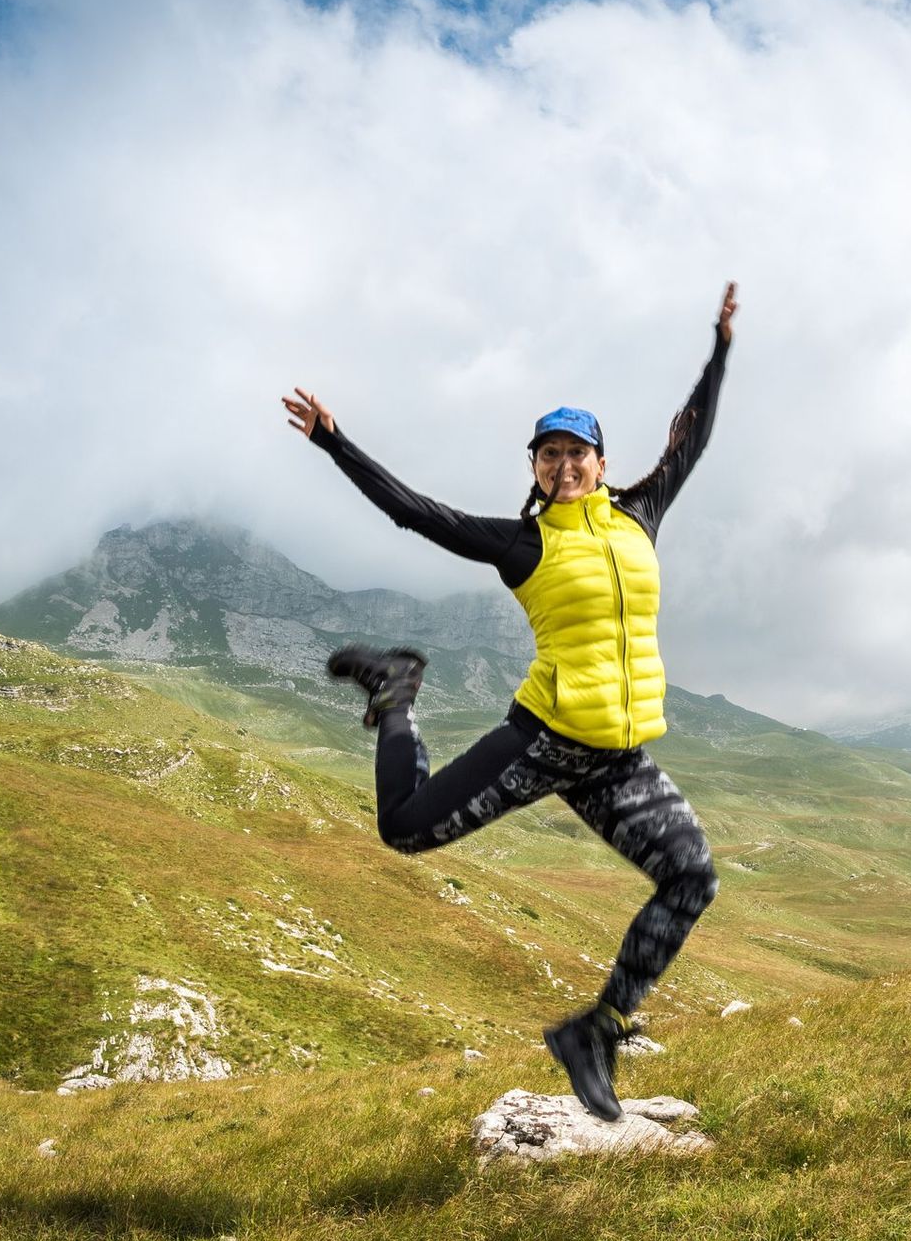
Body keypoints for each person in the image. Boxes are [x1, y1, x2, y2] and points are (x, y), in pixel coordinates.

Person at [279, 282, 738, 1120]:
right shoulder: (522, 544)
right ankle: (395, 691)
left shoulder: (641, 516)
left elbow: (691, 439)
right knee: (404, 827)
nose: (564, 466)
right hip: (544, 741)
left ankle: (596, 1032)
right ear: (534, 468)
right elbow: (414, 513)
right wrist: (336, 444)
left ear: (602, 461)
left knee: (692, 877)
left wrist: (719, 349)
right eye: (547, 455)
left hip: (619, 759)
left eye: (577, 452)